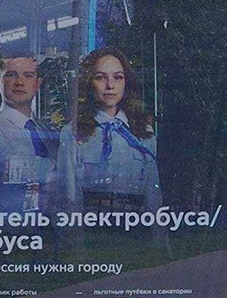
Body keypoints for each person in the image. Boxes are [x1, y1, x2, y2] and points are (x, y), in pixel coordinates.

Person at [58, 46, 161, 212]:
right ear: (89, 83)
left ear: (126, 82)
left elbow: (153, 198)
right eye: (100, 77)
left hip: (135, 223)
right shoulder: (72, 133)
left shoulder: (143, 132)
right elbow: (69, 200)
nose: (110, 85)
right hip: (92, 223)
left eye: (118, 77)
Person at [0, 54, 57, 214]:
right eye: (11, 75)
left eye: (28, 75)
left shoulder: (45, 130)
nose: (20, 82)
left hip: (48, 222)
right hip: (7, 224)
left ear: (38, 84)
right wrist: (64, 169)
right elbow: (12, 169)